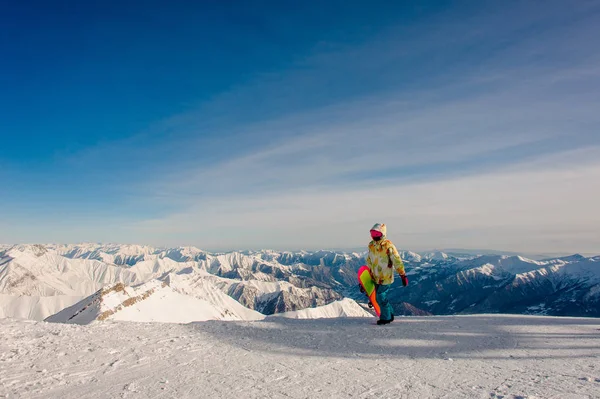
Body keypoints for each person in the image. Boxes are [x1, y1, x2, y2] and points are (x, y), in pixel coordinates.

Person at [365, 223, 409, 325]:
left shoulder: (388, 246)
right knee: (380, 297)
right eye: (372, 233)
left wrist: (402, 274)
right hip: (375, 276)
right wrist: (368, 274)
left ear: (382, 234)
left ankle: (386, 318)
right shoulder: (371, 245)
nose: (374, 236)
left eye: (377, 233)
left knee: (380, 297)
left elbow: (396, 260)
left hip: (386, 277)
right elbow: (369, 260)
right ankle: (390, 313)